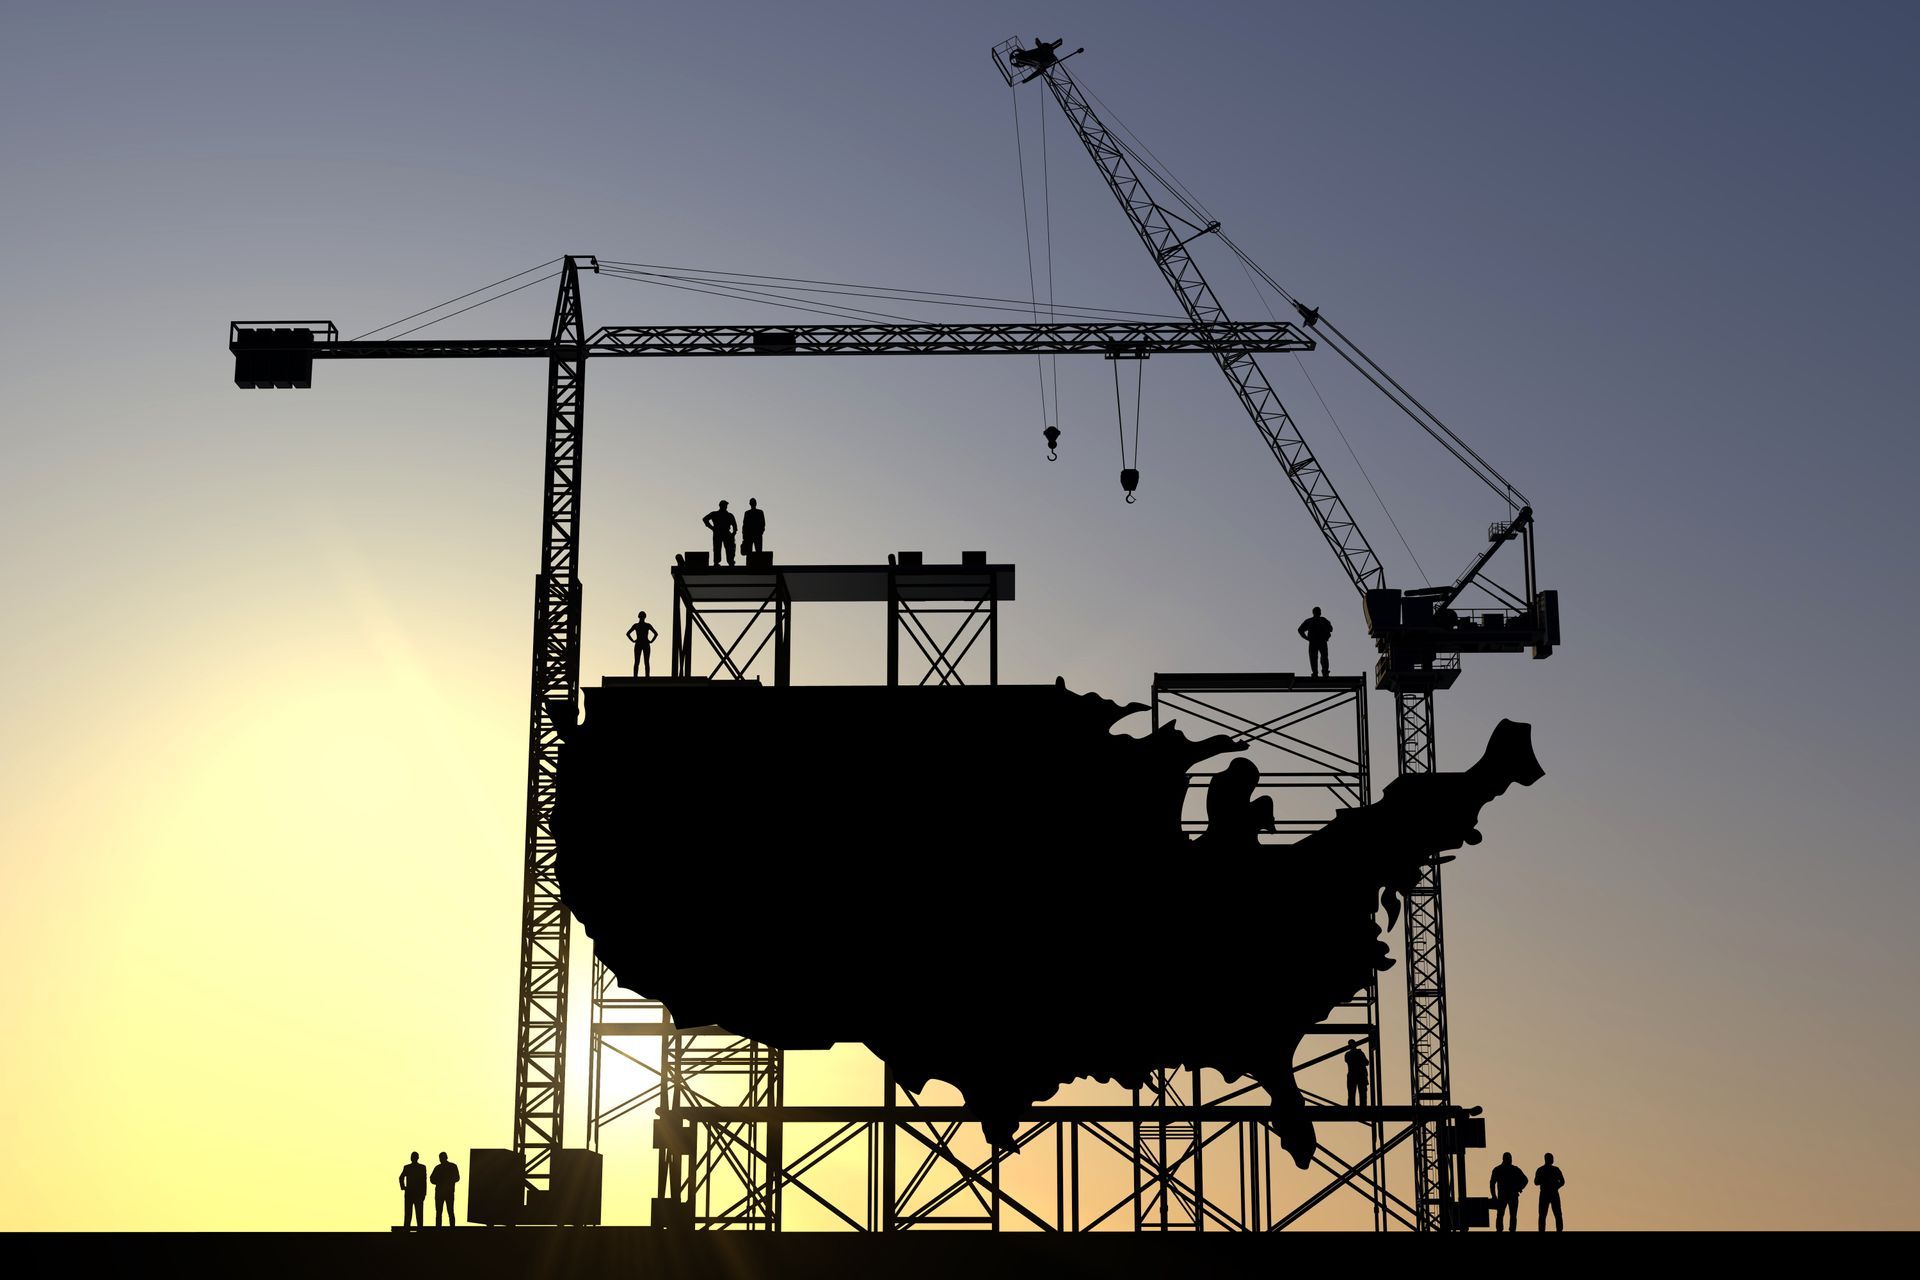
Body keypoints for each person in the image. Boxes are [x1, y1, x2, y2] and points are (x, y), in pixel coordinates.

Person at [1489, 1151, 1529, 1232]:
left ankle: (1506, 1230)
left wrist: (1519, 1188)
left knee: (1508, 1215)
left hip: (1508, 1195)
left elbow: (1525, 1180)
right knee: (1503, 1215)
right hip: (1506, 1196)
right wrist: (1493, 1195)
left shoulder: (1500, 1169)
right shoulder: (1505, 1169)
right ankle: (1503, 1230)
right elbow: (1492, 1183)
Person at [1297, 607, 1333, 677]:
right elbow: (1300, 630)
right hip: (1314, 641)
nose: (1319, 612)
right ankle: (1317, 672)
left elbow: (1330, 629)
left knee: (1323, 657)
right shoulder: (1310, 621)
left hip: (1321, 641)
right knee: (1314, 657)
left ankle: (1324, 672)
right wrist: (1306, 638)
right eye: (1318, 611)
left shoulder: (1323, 620)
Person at [1535, 1152, 1566, 1231]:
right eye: (1551, 1158)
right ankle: (1557, 1230)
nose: (1552, 1160)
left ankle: (1546, 1230)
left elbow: (1562, 1181)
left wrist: (1556, 1187)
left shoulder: (1541, 1169)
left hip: (1549, 1193)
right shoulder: (1554, 1169)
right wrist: (1555, 1186)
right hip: (1549, 1193)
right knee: (1547, 1214)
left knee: (1553, 1213)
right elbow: (1536, 1182)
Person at [398, 1151, 427, 1229]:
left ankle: (410, 1229)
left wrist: (403, 1187)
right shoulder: (421, 1167)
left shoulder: (409, 1167)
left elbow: (424, 1181)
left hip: (413, 1193)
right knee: (415, 1213)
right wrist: (403, 1187)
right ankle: (416, 1229)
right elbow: (424, 1181)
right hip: (415, 1193)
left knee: (412, 1213)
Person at [703, 501, 737, 566]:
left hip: (726, 533)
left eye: (726, 505)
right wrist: (712, 528)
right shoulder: (714, 514)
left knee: (729, 548)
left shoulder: (729, 515)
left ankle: (730, 561)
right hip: (718, 532)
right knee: (717, 548)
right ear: (720, 506)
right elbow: (705, 519)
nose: (726, 506)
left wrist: (733, 534)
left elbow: (735, 526)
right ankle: (716, 562)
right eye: (724, 505)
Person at [431, 1151, 461, 1227]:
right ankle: (451, 1228)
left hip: (444, 1192)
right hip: (447, 1192)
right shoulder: (452, 1166)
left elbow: (457, 1178)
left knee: (443, 1212)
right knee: (446, 1211)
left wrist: (441, 1181)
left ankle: (440, 1229)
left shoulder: (438, 1167)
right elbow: (432, 1179)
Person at [626, 610, 658, 677]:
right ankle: (645, 676)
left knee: (639, 661)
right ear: (644, 617)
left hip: (640, 643)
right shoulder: (646, 625)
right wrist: (651, 641)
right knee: (643, 661)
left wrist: (633, 640)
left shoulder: (637, 625)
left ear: (639, 617)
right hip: (644, 643)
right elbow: (656, 634)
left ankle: (636, 677)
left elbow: (628, 634)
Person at [1343, 1039, 1370, 1107]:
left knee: (1351, 1094)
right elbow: (1366, 1062)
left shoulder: (1348, 1054)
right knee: (1362, 1094)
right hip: (1361, 1075)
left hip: (1352, 1076)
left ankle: (1352, 1108)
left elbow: (1347, 1060)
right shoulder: (1359, 1053)